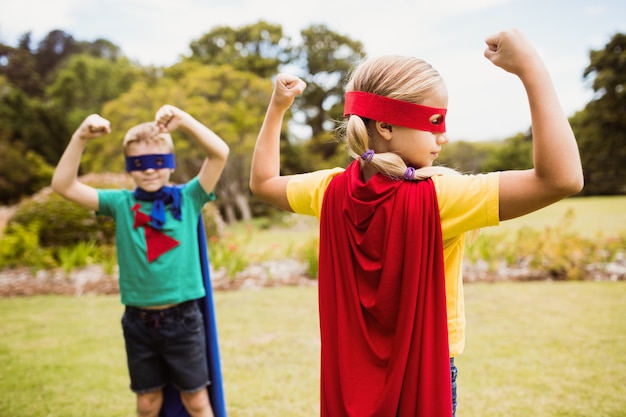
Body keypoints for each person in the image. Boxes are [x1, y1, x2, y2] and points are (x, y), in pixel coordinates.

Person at [249, 28, 583, 416]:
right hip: (427, 370)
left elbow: (263, 183)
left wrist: (277, 108)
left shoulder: (331, 191)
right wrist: (532, 70)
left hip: (351, 376)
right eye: (434, 121)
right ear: (386, 127)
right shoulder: (440, 196)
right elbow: (561, 179)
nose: (443, 135)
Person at [52, 104, 230, 417]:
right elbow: (64, 186)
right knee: (146, 404)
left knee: (197, 402)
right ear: (129, 166)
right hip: (138, 322)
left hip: (183, 320)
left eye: (158, 161)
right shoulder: (120, 203)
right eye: (139, 162)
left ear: (171, 164)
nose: (149, 169)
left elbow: (219, 153)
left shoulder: (189, 198)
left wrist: (184, 121)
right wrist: (80, 136)